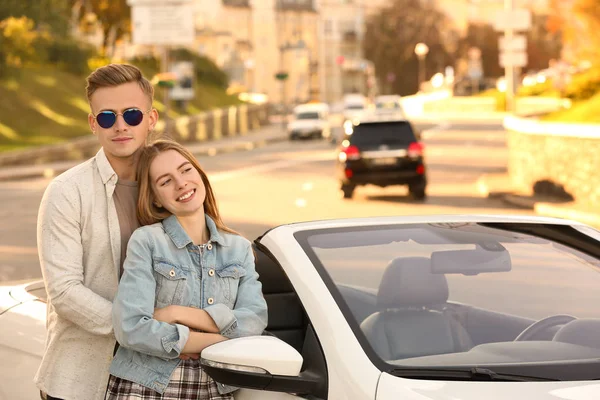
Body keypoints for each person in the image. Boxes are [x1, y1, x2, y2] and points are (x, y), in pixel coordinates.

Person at [105, 139, 268, 399]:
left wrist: (175, 313)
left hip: (216, 387)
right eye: (165, 181)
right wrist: (217, 342)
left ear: (199, 175)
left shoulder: (238, 248)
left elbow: (253, 322)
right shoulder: (147, 241)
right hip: (148, 387)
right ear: (156, 199)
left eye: (185, 170)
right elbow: (130, 328)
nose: (181, 183)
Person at [35, 63, 159, 400]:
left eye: (132, 115)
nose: (120, 126)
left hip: (160, 379)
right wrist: (141, 330)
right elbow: (64, 291)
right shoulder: (67, 191)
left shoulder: (172, 186)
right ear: (93, 124)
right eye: (107, 117)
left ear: (151, 119)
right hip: (82, 380)